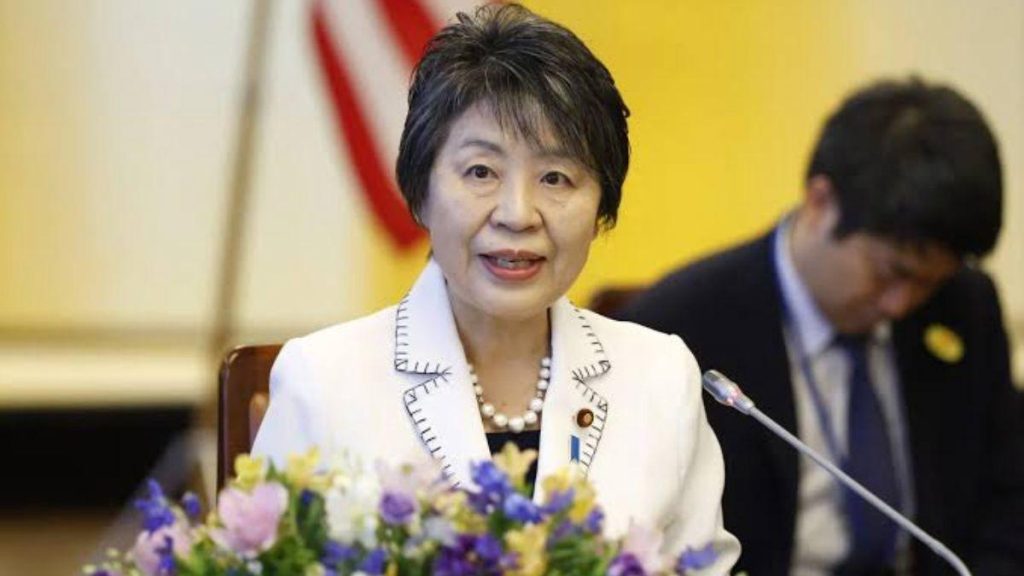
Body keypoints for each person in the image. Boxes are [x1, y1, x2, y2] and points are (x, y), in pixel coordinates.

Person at [252, 4, 739, 570]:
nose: (517, 213)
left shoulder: (660, 376)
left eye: (556, 178)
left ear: (600, 207)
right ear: (421, 190)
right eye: (481, 172)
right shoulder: (322, 382)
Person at [619, 77, 1024, 575]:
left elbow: (1008, 502)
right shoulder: (680, 328)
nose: (902, 304)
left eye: (929, 283)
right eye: (892, 273)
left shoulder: (964, 306)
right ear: (821, 201)